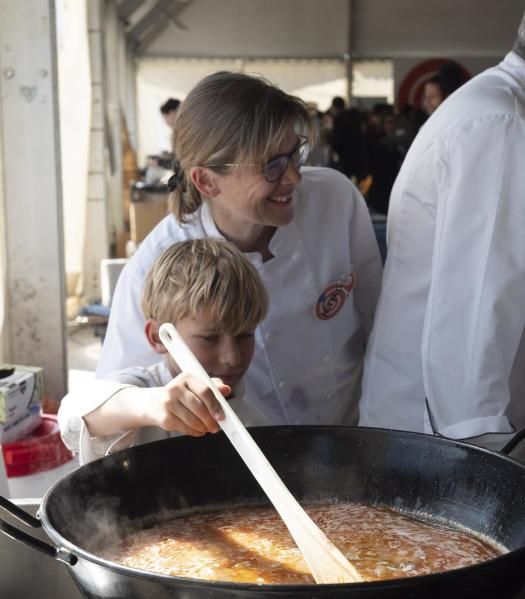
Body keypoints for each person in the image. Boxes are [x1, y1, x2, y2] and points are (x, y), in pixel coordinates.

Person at [97, 71, 382, 427]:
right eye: (272, 166)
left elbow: (379, 320)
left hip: (351, 429)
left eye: (295, 154)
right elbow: (111, 398)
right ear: (206, 180)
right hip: (249, 450)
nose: (294, 177)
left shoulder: (335, 200)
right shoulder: (156, 266)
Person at [359, 11, 525, 449]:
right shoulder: (500, 127)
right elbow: (473, 333)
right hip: (441, 443)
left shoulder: (498, 111)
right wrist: (484, 473)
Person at [59, 239, 269, 464]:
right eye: (209, 338)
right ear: (158, 337)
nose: (232, 357)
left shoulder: (255, 424)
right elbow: (71, 420)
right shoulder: (144, 388)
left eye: (244, 336)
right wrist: (152, 405)